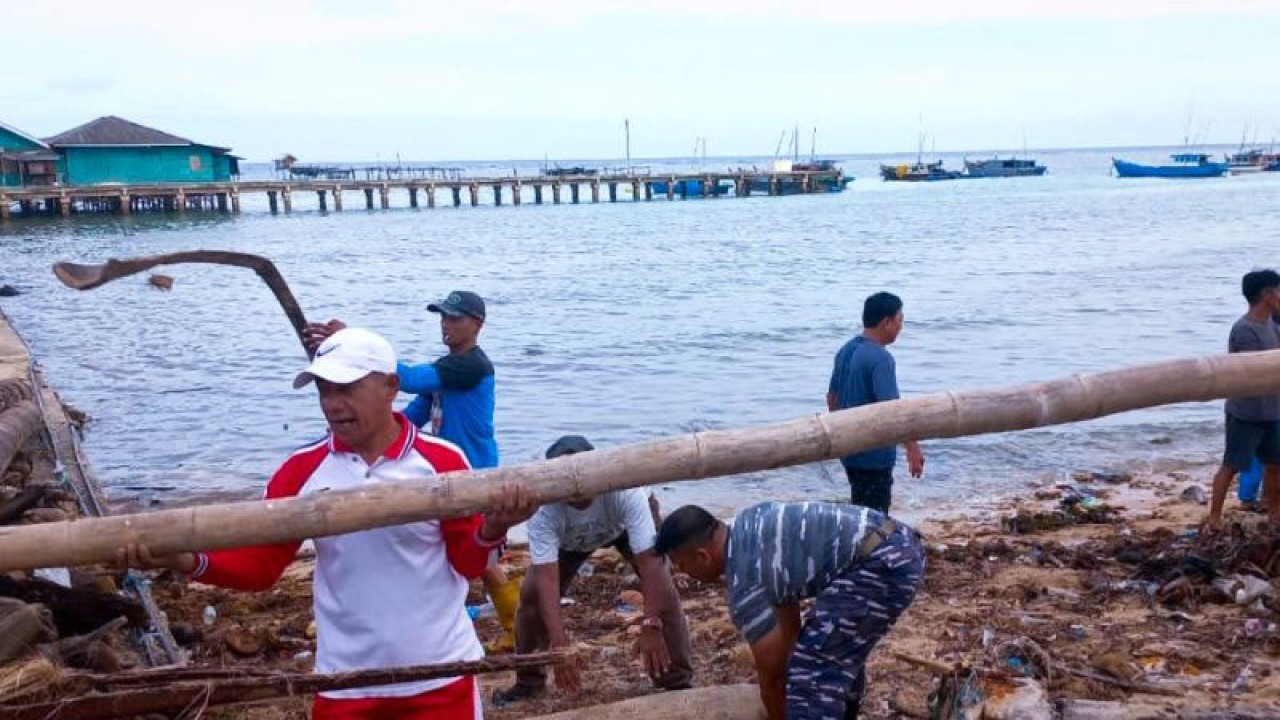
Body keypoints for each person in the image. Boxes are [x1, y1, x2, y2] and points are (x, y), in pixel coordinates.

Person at [119, 327, 536, 719]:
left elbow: (466, 563)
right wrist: (187, 559)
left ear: (390, 386)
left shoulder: (443, 462)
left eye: (347, 388)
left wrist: (495, 528)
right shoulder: (301, 471)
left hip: (442, 677)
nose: (332, 404)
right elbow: (261, 567)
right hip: (345, 686)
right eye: (323, 389)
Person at [303, 291, 518, 653]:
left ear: (477, 324)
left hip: (474, 468)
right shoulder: (447, 370)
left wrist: (356, 344)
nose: (446, 325)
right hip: (442, 473)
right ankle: (469, 615)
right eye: (443, 318)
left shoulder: (471, 366)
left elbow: (411, 379)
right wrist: (363, 430)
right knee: (456, 551)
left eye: (455, 318)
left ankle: (513, 622)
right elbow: (415, 413)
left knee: (477, 556)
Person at [655, 501, 925, 720]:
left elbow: (773, 675)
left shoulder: (745, 583)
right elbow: (789, 634)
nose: (683, 573)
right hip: (899, 541)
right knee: (827, 647)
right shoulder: (749, 523)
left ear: (703, 556)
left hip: (881, 563)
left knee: (811, 678)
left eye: (681, 564)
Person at [492, 435, 693, 705]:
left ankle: (676, 678)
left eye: (582, 480)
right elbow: (546, 582)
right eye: (567, 483)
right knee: (531, 599)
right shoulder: (543, 509)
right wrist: (559, 645)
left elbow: (650, 564)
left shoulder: (626, 489)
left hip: (621, 528)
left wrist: (651, 624)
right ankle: (529, 681)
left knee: (664, 591)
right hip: (569, 542)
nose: (576, 491)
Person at [827, 291, 924, 513]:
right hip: (873, 455)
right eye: (900, 320)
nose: (901, 327)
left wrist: (839, 439)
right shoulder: (881, 358)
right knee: (875, 517)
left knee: (859, 510)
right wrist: (913, 448)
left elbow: (831, 398)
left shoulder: (845, 350)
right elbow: (894, 410)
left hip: (850, 451)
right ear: (886, 322)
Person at [1207, 269, 1280, 528]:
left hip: (1271, 410)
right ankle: (1214, 517)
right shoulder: (1245, 329)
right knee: (1231, 466)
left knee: (1275, 464)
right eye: (1279, 290)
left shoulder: (1272, 323)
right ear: (1268, 295)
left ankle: (1274, 515)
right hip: (1246, 413)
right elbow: (1253, 370)